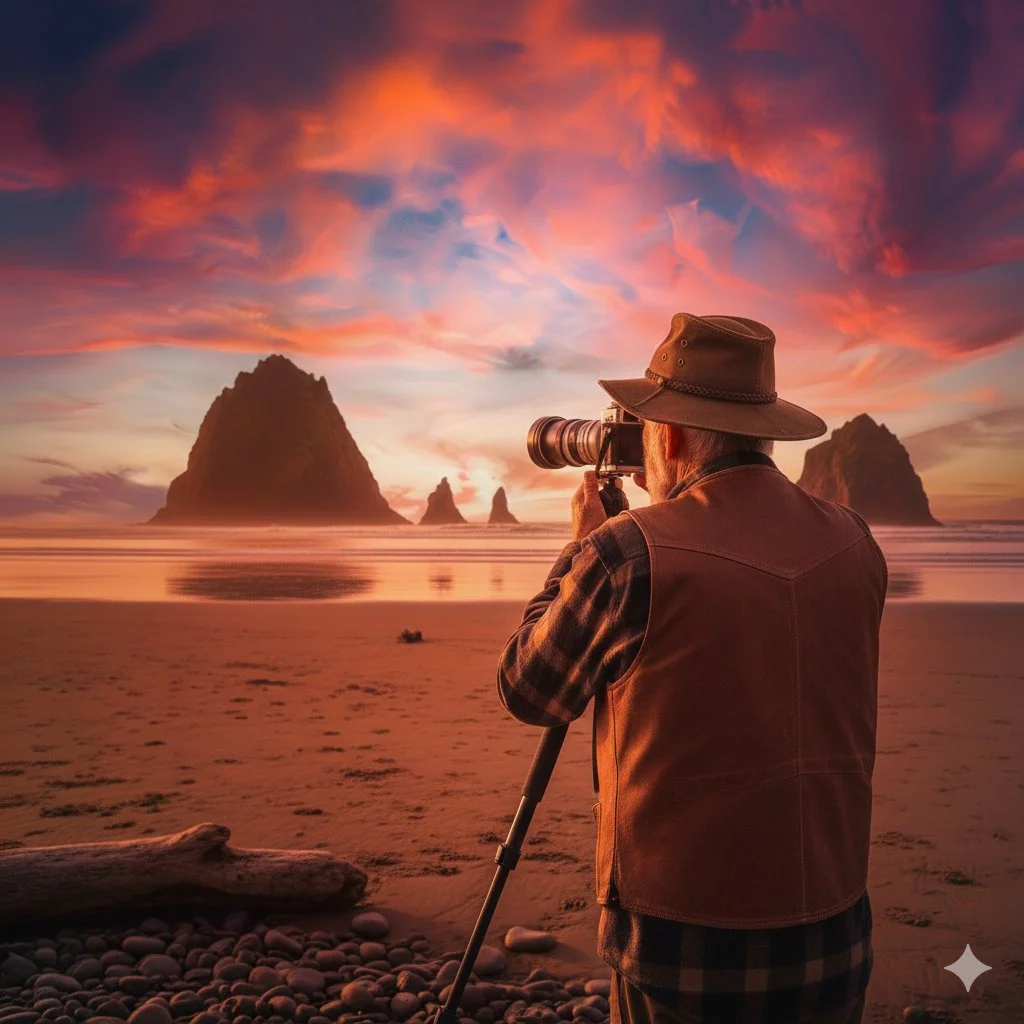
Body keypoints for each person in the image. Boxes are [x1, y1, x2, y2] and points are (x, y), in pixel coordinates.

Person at [497, 313, 888, 1024]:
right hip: (836, 934)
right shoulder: (857, 544)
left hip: (681, 947)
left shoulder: (627, 553)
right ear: (764, 431)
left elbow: (530, 690)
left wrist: (580, 546)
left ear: (668, 435)